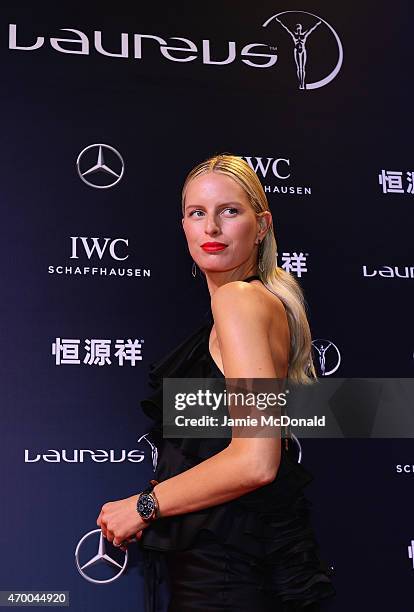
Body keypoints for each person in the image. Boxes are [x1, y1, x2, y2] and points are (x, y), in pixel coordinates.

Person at [96, 154, 336, 611]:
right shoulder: (255, 303)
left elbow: (256, 459)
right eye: (196, 213)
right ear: (183, 225)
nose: (211, 228)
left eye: (229, 211)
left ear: (261, 225)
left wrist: (144, 505)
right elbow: (216, 447)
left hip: (226, 580)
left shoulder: (238, 301)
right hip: (229, 564)